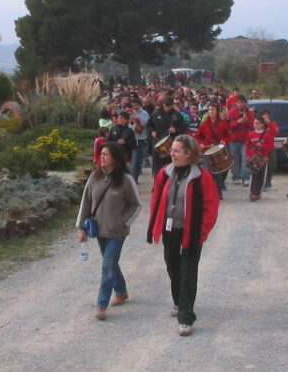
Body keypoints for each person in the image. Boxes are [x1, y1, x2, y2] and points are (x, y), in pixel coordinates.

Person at [147, 134, 221, 337]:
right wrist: (154, 225)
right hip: (170, 229)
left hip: (192, 232)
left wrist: (202, 231)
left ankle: (186, 317)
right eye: (172, 150)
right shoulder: (164, 173)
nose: (171, 153)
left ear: (188, 153)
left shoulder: (202, 176)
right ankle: (179, 302)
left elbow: (211, 205)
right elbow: (156, 200)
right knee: (172, 266)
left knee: (188, 271)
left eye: (176, 150)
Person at [76, 142, 142, 321]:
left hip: (117, 232)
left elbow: (136, 205)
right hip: (99, 230)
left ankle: (101, 305)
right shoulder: (94, 177)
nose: (101, 157)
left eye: (105, 154)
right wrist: (82, 228)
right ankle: (121, 292)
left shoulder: (126, 180)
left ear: (115, 158)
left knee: (107, 265)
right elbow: (86, 203)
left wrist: (124, 222)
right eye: (101, 154)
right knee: (110, 263)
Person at [194, 102, 231, 194]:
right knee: (207, 171)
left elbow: (228, 136)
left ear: (217, 111)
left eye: (213, 109)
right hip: (207, 150)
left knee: (219, 171)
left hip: (218, 150)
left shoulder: (223, 123)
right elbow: (198, 136)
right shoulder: (204, 124)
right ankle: (208, 191)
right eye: (209, 109)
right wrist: (201, 143)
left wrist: (224, 140)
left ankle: (218, 190)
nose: (211, 111)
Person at [147, 95, 188, 177]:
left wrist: (176, 130)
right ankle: (157, 181)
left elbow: (183, 128)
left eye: (168, 106)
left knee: (170, 167)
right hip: (158, 144)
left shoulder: (177, 115)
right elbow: (148, 125)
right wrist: (152, 131)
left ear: (172, 105)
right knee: (157, 168)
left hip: (171, 145)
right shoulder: (156, 113)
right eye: (165, 106)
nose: (166, 108)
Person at [227, 94, 254, 186]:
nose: (241, 104)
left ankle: (245, 178)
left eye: (242, 102)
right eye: (239, 102)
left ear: (245, 103)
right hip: (233, 140)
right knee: (234, 160)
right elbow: (228, 126)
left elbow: (252, 126)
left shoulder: (249, 113)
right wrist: (238, 122)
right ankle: (236, 177)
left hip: (245, 140)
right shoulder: (231, 112)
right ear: (236, 103)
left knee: (245, 159)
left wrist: (246, 121)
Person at [246, 116, 275, 201]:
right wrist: (248, 155)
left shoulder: (267, 135)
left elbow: (271, 146)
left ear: (262, 125)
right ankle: (253, 193)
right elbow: (247, 145)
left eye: (257, 123)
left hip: (263, 158)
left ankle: (258, 192)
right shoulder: (251, 134)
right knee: (254, 175)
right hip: (254, 158)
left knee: (261, 176)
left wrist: (262, 145)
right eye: (254, 123)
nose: (255, 125)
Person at [128, 101, 150, 180]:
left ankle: (134, 177)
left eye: (136, 105)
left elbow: (145, 124)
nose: (134, 107)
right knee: (132, 160)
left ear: (139, 105)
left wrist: (136, 117)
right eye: (133, 105)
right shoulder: (128, 113)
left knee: (136, 160)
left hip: (140, 139)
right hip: (130, 139)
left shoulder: (144, 113)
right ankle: (133, 177)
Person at [259, 109, 279, 191]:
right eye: (264, 114)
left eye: (267, 114)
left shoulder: (273, 124)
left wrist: (269, 124)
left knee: (272, 165)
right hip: (262, 148)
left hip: (271, 147)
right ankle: (262, 183)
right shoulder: (259, 124)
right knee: (262, 166)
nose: (265, 116)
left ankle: (268, 181)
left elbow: (275, 133)